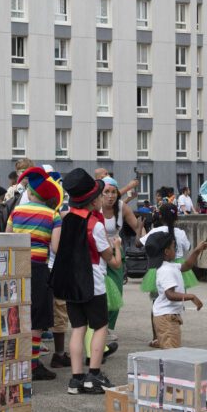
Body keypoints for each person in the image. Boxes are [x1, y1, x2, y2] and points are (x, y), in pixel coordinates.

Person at [50, 169, 120, 395]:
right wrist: (116, 245)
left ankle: (76, 379)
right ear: (94, 200)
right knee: (100, 326)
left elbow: (58, 248)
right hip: (93, 282)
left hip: (71, 282)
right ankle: (94, 374)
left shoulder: (66, 219)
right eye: (100, 195)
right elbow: (112, 261)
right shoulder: (95, 225)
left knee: (77, 329)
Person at [7, 167, 62, 381]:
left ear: (30, 194)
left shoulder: (16, 212)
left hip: (16, 267)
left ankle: (14, 360)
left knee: (16, 314)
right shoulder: (53, 215)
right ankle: (33, 364)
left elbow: (7, 237)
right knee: (38, 317)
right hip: (39, 269)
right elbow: (56, 247)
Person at [100, 176, 146, 341]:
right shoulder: (94, 207)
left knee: (116, 292)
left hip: (116, 252)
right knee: (99, 292)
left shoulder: (122, 207)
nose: (111, 196)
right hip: (97, 254)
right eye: (106, 192)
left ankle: (109, 327)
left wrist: (148, 241)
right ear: (100, 193)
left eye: (113, 192)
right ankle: (98, 327)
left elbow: (136, 226)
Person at [148, 232, 203, 349]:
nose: (176, 250)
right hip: (166, 318)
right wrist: (191, 297)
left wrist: (197, 251)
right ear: (166, 252)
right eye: (174, 247)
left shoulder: (169, 266)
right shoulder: (166, 270)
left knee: (172, 350)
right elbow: (170, 294)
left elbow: (186, 266)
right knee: (172, 353)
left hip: (167, 316)